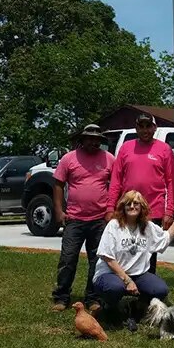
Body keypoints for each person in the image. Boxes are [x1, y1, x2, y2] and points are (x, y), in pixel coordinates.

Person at [51, 124, 115, 312]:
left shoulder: (109, 159)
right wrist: (58, 210)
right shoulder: (69, 158)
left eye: (96, 139)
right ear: (82, 139)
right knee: (68, 259)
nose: (93, 142)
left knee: (97, 260)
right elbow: (58, 184)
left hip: (100, 219)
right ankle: (62, 297)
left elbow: (117, 184)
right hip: (74, 218)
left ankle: (92, 297)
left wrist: (112, 211)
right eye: (89, 138)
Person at [93, 190, 174, 330]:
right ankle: (109, 308)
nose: (132, 206)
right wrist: (127, 280)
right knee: (114, 288)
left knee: (160, 289)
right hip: (110, 274)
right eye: (128, 203)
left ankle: (137, 308)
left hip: (138, 274)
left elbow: (165, 237)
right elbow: (107, 257)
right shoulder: (114, 226)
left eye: (136, 203)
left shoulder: (148, 227)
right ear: (123, 207)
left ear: (142, 207)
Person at [106, 112, 174, 272]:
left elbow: (172, 182)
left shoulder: (164, 149)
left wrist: (169, 211)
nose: (145, 130)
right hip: (128, 210)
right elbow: (116, 180)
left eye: (148, 126)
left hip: (153, 210)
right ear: (136, 128)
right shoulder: (126, 148)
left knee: (149, 252)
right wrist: (110, 207)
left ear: (154, 128)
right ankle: (128, 285)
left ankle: (147, 291)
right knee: (126, 249)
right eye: (141, 126)